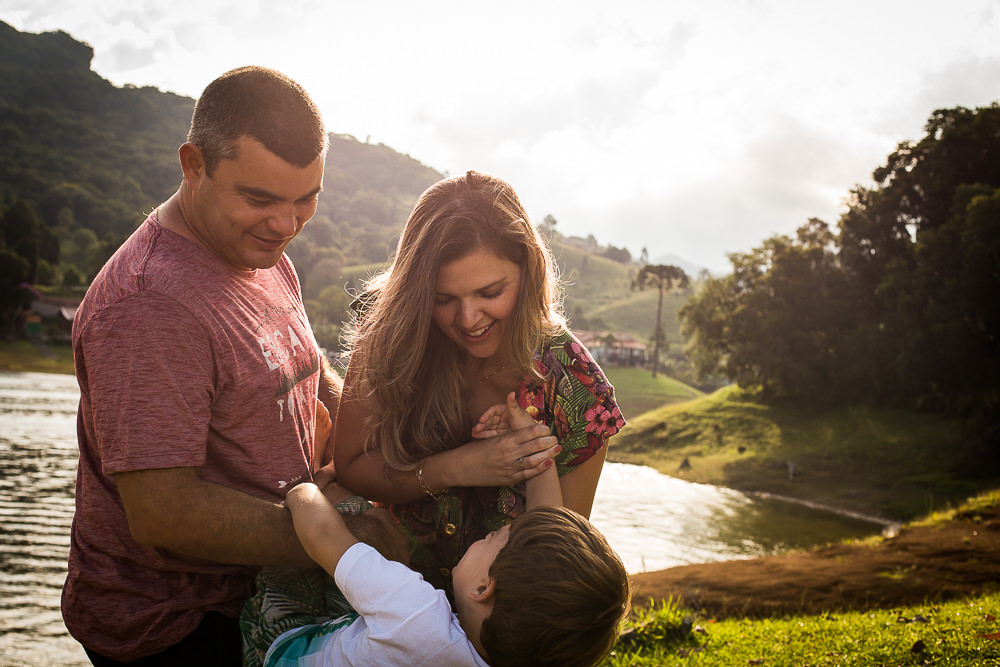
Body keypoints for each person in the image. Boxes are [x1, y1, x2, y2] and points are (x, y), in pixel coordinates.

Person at [62, 65, 339, 665]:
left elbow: (303, 366)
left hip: (258, 595)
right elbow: (164, 511)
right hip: (170, 625)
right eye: (259, 198)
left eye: (305, 199)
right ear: (193, 164)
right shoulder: (150, 306)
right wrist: (344, 543)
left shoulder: (259, 250)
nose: (286, 225)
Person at [331, 170, 626, 590]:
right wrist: (460, 466)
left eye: (490, 293)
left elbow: (555, 563)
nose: (467, 320)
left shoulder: (577, 389)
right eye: (443, 298)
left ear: (528, 272)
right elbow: (353, 467)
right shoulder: (388, 333)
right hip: (385, 595)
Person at [260, 393, 631, 667]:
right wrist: (529, 443)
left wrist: (307, 487)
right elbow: (546, 519)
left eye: (496, 537)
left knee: (348, 509)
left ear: (485, 588)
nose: (494, 532)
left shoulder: (415, 611)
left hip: (280, 648)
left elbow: (323, 535)